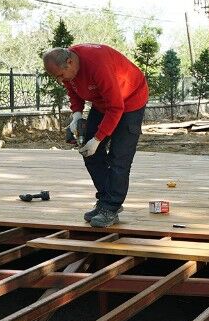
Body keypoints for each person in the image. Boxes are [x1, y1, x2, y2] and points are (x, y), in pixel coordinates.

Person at [42, 44, 148, 228]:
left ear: (70, 62)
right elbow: (73, 91)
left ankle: (111, 208)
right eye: (56, 77)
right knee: (88, 152)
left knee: (119, 157)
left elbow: (116, 107)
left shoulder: (97, 64)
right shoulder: (66, 67)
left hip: (130, 102)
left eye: (60, 75)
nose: (60, 80)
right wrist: (76, 115)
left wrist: (98, 139)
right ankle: (105, 200)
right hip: (103, 104)